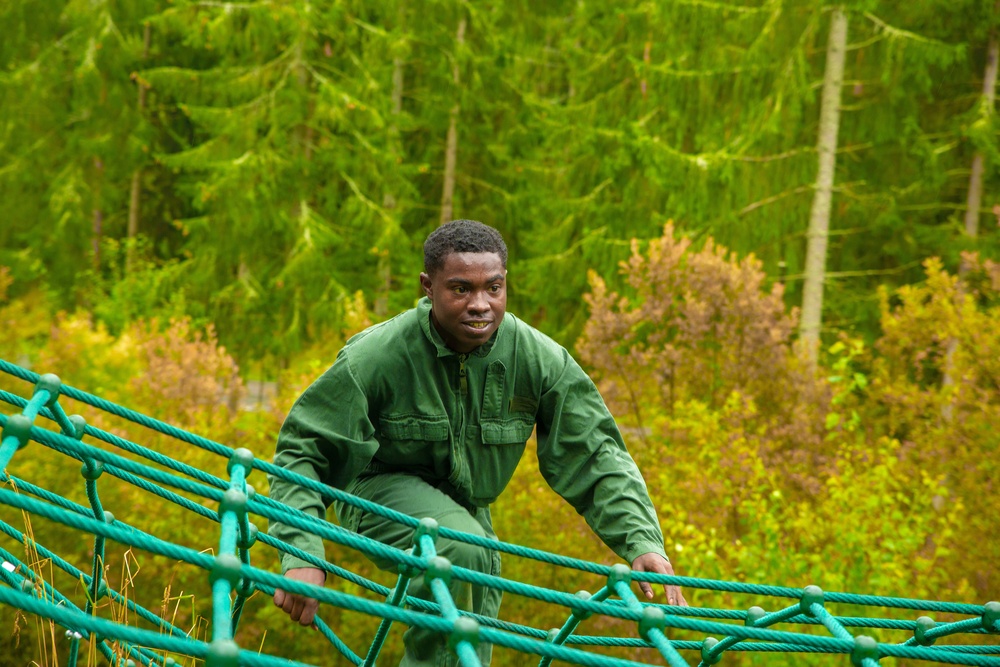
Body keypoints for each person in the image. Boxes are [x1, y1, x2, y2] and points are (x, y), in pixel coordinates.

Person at [268, 219, 687, 666]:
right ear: (428, 287)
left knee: (481, 566)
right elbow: (302, 449)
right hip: (373, 490)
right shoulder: (376, 356)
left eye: (494, 288)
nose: (480, 305)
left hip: (467, 508)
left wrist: (641, 541)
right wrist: (301, 551)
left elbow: (595, 453)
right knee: (462, 549)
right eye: (461, 289)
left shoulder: (537, 358)